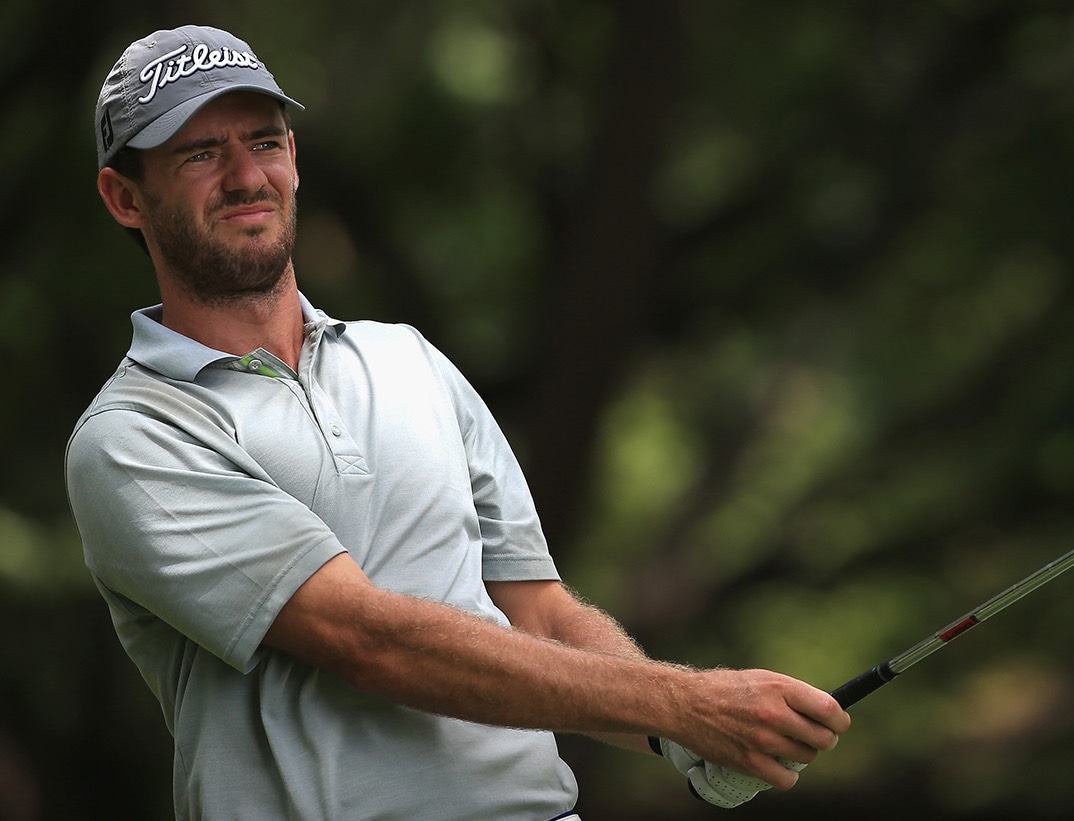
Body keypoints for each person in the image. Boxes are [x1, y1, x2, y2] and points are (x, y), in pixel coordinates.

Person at [67, 25, 850, 821]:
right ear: (125, 197)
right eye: (199, 155)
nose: (245, 177)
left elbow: (540, 612)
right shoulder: (132, 437)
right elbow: (368, 641)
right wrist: (685, 704)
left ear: (293, 158)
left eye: (263, 142)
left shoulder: (406, 358)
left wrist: (679, 736)